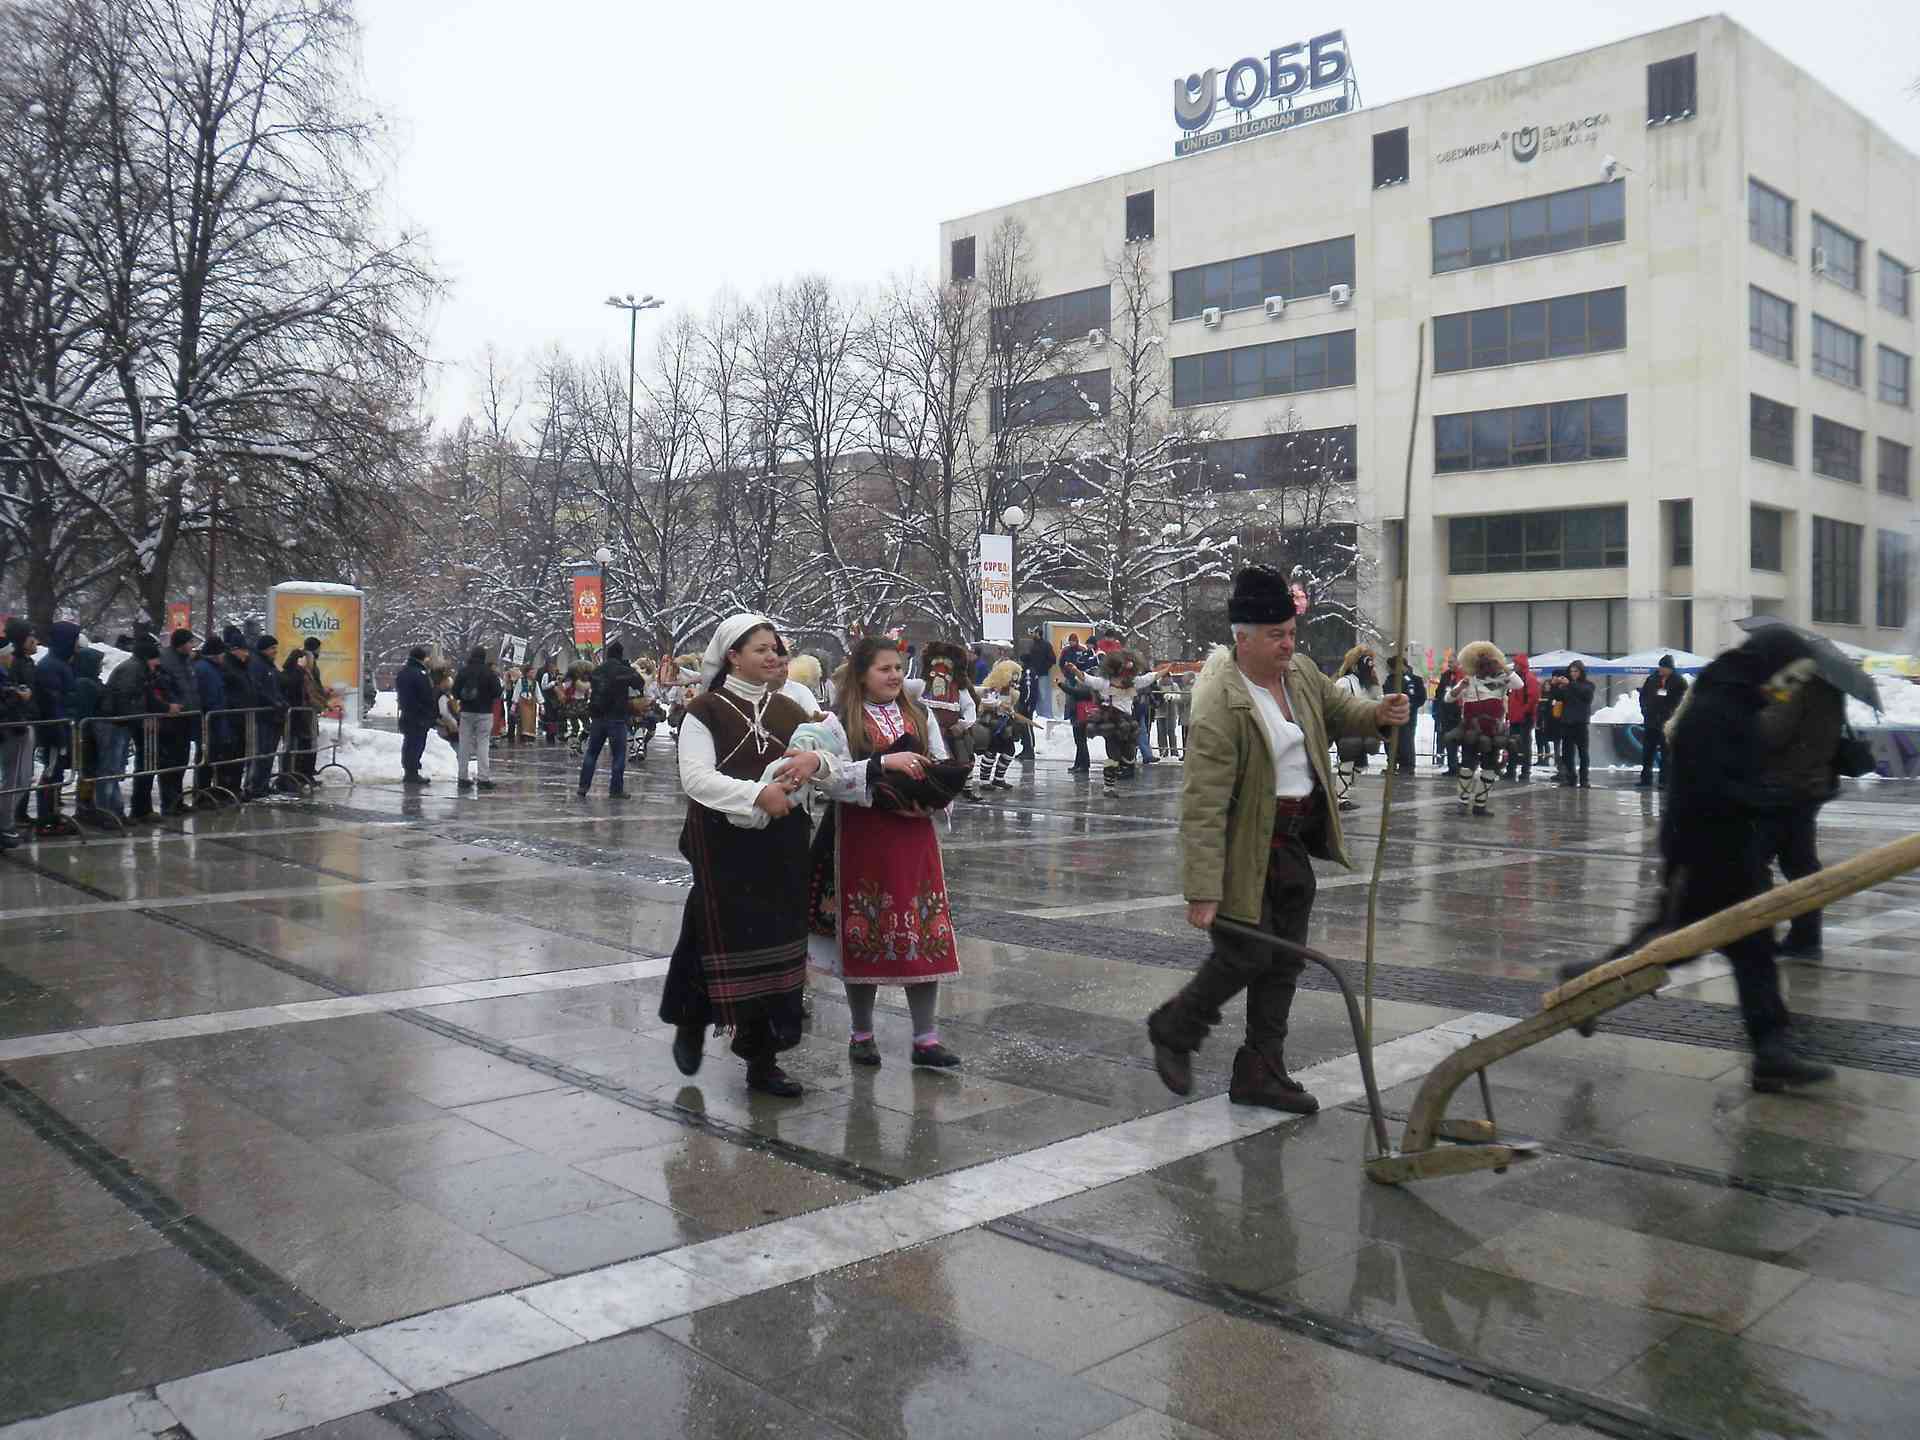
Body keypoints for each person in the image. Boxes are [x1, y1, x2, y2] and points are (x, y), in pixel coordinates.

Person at [1147, 565, 1408, 1110]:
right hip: (1244, 848)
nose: (1288, 644)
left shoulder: (1300, 674)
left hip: (1290, 841)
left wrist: (1378, 713)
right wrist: (1203, 888)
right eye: (1275, 636)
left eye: (1291, 632)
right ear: (1242, 638)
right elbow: (1203, 802)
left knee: (1285, 962)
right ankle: (1176, 1027)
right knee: (1245, 953)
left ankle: (1261, 1069)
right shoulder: (1220, 700)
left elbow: (1340, 710)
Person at [1559, 628, 1832, 1091]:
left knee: (1752, 952)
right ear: (1771, 667)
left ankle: (1771, 1050)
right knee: (1672, 945)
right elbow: (1710, 787)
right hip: (1703, 853)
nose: (1790, 689)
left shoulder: (1739, 702)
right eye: (1790, 678)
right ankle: (1586, 986)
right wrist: (1769, 800)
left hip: (1733, 852)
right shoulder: (1715, 707)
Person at [658, 615, 834, 1097]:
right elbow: (696, 778)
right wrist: (757, 795)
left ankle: (763, 1058)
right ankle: (692, 1019)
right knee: (711, 932)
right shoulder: (705, 710)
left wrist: (817, 763)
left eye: (776, 648)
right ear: (733, 656)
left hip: (783, 843)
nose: (773, 656)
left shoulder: (793, 708)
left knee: (780, 940)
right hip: (721, 844)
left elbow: (828, 758)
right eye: (761, 649)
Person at [808, 633, 964, 1070]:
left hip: (914, 837)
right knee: (865, 930)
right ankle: (862, 1034)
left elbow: (939, 762)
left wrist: (935, 795)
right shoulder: (840, 721)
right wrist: (880, 767)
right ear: (862, 675)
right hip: (864, 838)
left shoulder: (919, 714)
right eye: (884, 669)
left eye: (898, 668)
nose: (894, 675)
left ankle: (925, 1038)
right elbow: (829, 778)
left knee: (924, 930)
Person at [1756, 651, 1846, 959]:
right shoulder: (1830, 687)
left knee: (1753, 863)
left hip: (1780, 787)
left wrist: (1760, 706)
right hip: (1810, 786)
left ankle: (1758, 934)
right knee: (1801, 865)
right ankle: (1806, 937)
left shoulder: (1792, 683)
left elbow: (1771, 733)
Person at [1445, 641, 1524, 816]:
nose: (1486, 666)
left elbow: (1519, 684)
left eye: (1489, 662)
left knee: (1490, 768)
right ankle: (1463, 802)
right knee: (1467, 766)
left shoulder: (1501, 681)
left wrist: (1504, 667)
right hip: (1471, 730)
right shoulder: (1468, 681)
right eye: (1481, 662)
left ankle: (1480, 805)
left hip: (1493, 732)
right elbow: (1448, 698)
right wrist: (1460, 687)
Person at [31, 621, 82, 831]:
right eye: (75, 639)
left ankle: (52, 816)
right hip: (55, 730)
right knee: (51, 773)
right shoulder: (51, 666)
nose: (77, 644)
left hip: (61, 727)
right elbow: (53, 703)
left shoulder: (59, 664)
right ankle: (46, 820)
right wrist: (61, 731)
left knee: (56, 774)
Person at [579, 639, 642, 799]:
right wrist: (628, 667)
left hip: (598, 718)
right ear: (620, 655)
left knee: (591, 753)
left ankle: (583, 786)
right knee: (618, 755)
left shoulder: (598, 671)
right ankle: (616, 790)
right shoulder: (623, 670)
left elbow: (591, 683)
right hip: (616, 718)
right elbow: (639, 683)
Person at [156, 628, 201, 814]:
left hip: (186, 716)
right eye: (190, 642)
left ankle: (177, 799)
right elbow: (164, 687)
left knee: (181, 760)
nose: (193, 646)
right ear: (181, 644)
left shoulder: (187, 661)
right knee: (170, 762)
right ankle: (169, 802)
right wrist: (173, 704)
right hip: (172, 718)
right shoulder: (167, 661)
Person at [1, 620, 38, 848]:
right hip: (14, 728)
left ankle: (8, 823)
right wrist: (18, 696)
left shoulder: (22, 663)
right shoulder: (13, 666)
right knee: (15, 779)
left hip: (21, 724)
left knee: (21, 779)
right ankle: (5, 825)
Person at [1332, 645, 1383, 810]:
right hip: (1347, 728)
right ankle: (1340, 798)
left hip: (1363, 728)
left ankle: (1341, 788)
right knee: (1347, 762)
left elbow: (1376, 701)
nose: (1371, 667)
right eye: (1367, 663)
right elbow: (1334, 702)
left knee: (1360, 765)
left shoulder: (1368, 684)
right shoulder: (1345, 682)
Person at [69, 647, 115, 821]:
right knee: (87, 771)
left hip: (92, 732)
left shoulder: (90, 681)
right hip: (88, 733)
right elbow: (86, 710)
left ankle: (87, 805)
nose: (101, 667)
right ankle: (84, 806)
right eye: (98, 664)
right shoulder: (84, 683)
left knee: (90, 771)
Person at [453, 647, 502, 791]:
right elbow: (497, 692)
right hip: (484, 713)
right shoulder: (489, 673)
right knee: (483, 744)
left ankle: (462, 777)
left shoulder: (463, 671)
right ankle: (483, 778)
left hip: (466, 712)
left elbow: (455, 691)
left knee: (464, 744)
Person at [191, 633, 232, 804]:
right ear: (215, 654)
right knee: (206, 760)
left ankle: (206, 793)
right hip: (209, 721)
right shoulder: (205, 670)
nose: (224, 657)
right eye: (222, 653)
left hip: (214, 720)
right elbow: (206, 697)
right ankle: (202, 795)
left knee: (210, 758)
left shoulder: (212, 668)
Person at [245, 635, 287, 799]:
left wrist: (282, 702)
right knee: (261, 752)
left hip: (273, 715)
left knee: (269, 753)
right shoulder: (257, 665)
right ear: (264, 649)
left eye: (275, 648)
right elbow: (259, 689)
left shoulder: (270, 666)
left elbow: (274, 688)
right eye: (272, 648)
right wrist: (273, 702)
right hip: (263, 715)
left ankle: (263, 783)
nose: (275, 651)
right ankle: (255, 785)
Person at [1637, 655, 1688, 787]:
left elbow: (1683, 700)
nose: (1661, 669)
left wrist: (1672, 714)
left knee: (1666, 753)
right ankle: (1645, 779)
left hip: (1667, 722)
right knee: (1648, 751)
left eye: (1664, 667)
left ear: (1670, 668)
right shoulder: (1652, 679)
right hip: (1651, 721)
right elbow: (1643, 696)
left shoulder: (1679, 681)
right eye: (1660, 666)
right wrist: (1645, 710)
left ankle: (1664, 780)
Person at [973, 657, 1024, 790]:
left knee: (1010, 751)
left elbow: (1009, 706)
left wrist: (1011, 712)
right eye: (1012, 677)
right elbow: (984, 700)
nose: (1014, 681)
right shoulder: (991, 688)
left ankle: (998, 779)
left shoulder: (1011, 691)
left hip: (1005, 725)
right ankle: (984, 781)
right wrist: (998, 704)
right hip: (992, 723)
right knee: (991, 751)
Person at [219, 628, 258, 797]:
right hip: (232, 717)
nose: (247, 654)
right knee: (231, 756)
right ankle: (227, 789)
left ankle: (235, 787)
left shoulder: (243, 667)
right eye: (244, 650)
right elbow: (228, 692)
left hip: (242, 718)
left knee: (240, 755)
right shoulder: (228, 667)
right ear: (235, 650)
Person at [1550, 661, 1596, 787]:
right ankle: (1571, 778)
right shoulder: (1566, 686)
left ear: (1581, 672)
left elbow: (1585, 695)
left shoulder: (1588, 685)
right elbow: (1557, 697)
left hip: (1580, 723)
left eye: (1576, 671)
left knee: (1583, 753)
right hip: (1567, 722)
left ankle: (1584, 779)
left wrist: (1570, 684)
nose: (1573, 674)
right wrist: (1554, 685)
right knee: (1567, 753)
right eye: (1571, 671)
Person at [395, 646, 437, 786]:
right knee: (417, 744)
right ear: (422, 658)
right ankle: (412, 772)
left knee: (409, 743)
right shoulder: (420, 674)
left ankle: (409, 771)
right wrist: (429, 712)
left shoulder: (403, 673)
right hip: (419, 716)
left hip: (407, 714)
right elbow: (426, 695)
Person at [1502, 653, 1541, 783]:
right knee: (1513, 745)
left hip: (1524, 717)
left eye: (1516, 664)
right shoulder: (1519, 678)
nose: (1515, 666)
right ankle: (1512, 770)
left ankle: (1523, 771)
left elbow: (1533, 698)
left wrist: (1524, 712)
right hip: (1516, 717)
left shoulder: (1529, 679)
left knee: (1524, 745)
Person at [1387, 656, 1427, 777]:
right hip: (1392, 713)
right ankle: (1392, 763)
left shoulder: (1415, 680)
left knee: (1406, 740)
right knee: (1390, 740)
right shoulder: (1390, 679)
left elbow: (1420, 697)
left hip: (1408, 715)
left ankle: (1407, 765)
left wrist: (1411, 706)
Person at [1431, 661, 1462, 776]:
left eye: (1452, 662)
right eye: (1449, 663)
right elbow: (1439, 692)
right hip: (1446, 712)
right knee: (1449, 739)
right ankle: (1452, 766)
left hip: (1460, 711)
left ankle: (1464, 765)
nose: (1450, 665)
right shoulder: (1446, 675)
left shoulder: (1464, 675)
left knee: (1462, 740)